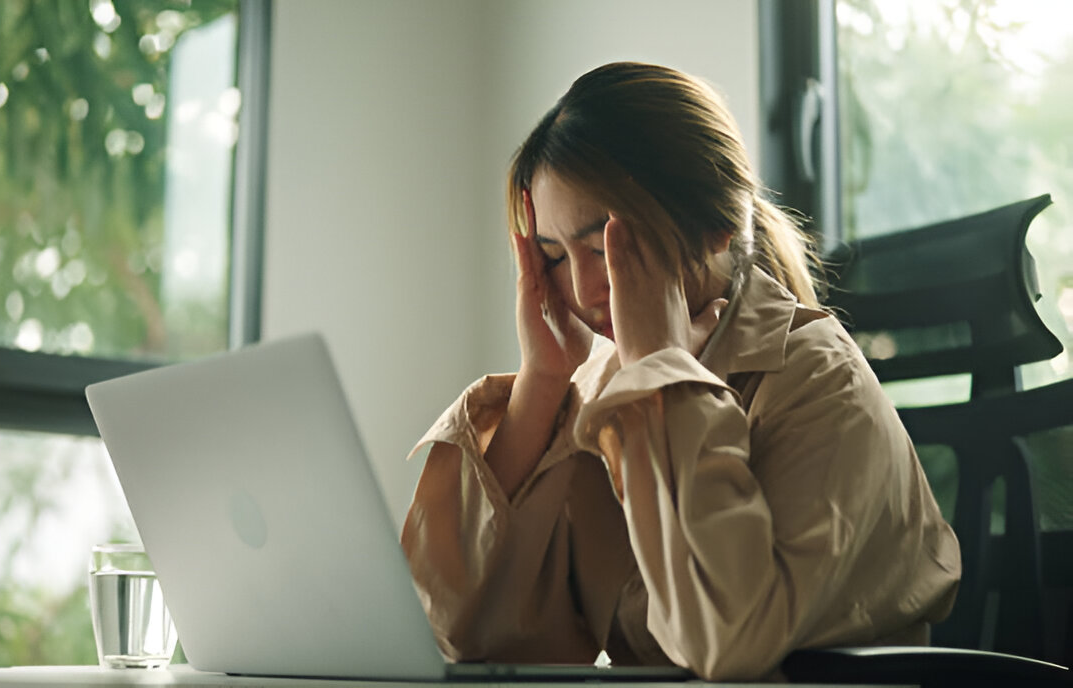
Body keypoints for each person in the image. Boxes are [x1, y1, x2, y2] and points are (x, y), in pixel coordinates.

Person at [399, 62, 961, 682]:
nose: (586, 289)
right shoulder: (602, 387)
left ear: (715, 225)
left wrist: (665, 376)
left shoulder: (820, 381)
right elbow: (464, 631)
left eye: (607, 247)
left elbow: (728, 640)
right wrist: (542, 383)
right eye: (555, 257)